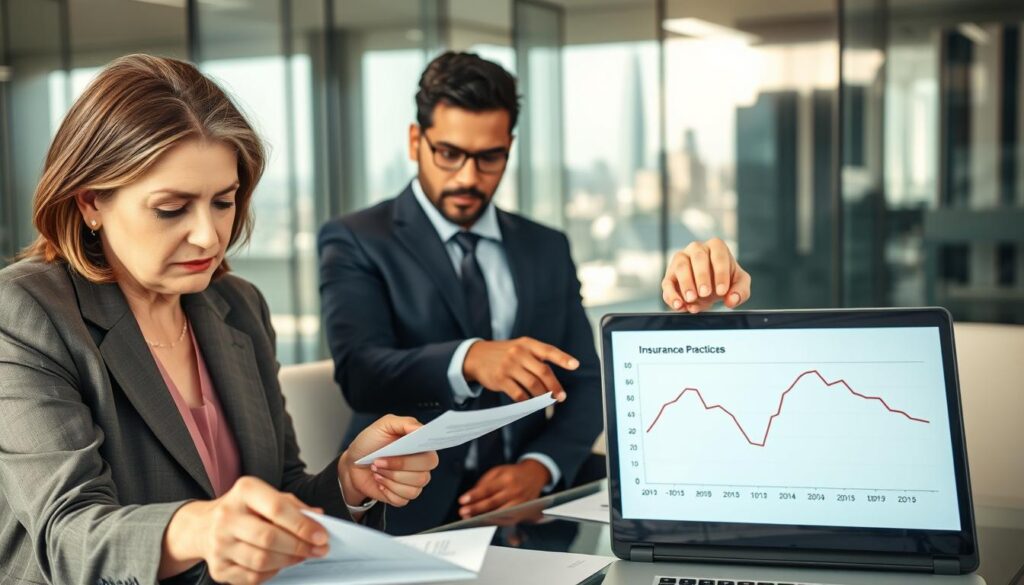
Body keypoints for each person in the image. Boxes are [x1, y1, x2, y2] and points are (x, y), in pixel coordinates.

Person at [0, 54, 437, 585]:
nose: (209, 236)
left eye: (224, 202)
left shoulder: (238, 306)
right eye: (171, 208)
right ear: (91, 202)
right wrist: (200, 529)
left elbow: (280, 492)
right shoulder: (27, 312)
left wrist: (349, 481)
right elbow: (67, 534)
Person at [318, 51, 750, 536]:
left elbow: (585, 382)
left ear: (509, 147)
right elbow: (361, 372)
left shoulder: (545, 247)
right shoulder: (357, 239)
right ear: (416, 141)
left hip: (532, 512)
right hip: (401, 512)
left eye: (489, 158)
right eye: (449, 154)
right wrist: (469, 359)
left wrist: (540, 467)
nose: (467, 177)